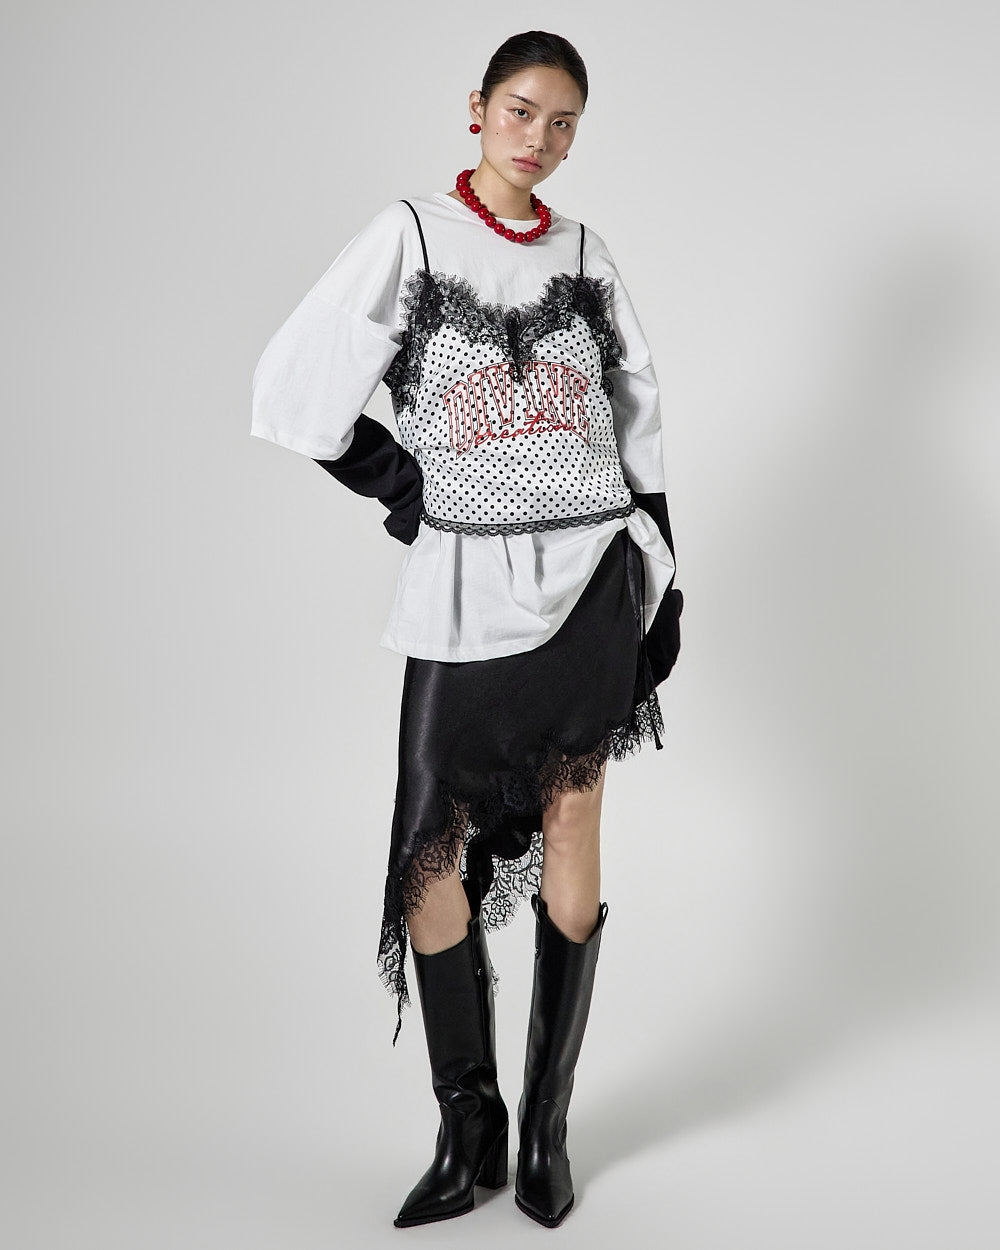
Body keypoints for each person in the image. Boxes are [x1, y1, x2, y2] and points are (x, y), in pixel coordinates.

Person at [250, 29, 683, 1230]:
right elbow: (298, 385)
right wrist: (410, 489)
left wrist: (663, 567)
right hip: (466, 586)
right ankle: (467, 1126)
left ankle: (544, 1130)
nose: (539, 137)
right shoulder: (412, 235)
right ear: (478, 107)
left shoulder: (587, 253)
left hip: (592, 572)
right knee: (428, 853)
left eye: (563, 122)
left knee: (575, 815)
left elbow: (637, 414)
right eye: (522, 110)